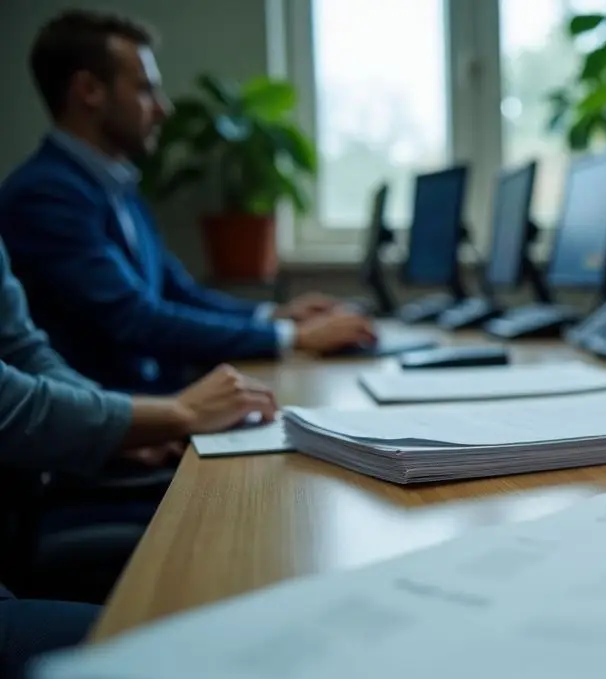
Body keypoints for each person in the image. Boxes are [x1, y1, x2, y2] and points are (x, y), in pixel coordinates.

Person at [0, 234, 279, 679]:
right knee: (222, 661)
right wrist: (168, 415)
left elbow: (19, 349)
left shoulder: (116, 188)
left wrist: (123, 423)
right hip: (34, 500)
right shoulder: (48, 196)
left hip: (31, 499)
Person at [0, 10, 377, 394]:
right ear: (90, 91)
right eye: (146, 89)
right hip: (115, 429)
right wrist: (291, 337)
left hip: (154, 408)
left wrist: (276, 316)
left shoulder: (116, 184)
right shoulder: (45, 195)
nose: (163, 108)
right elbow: (134, 319)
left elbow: (178, 292)